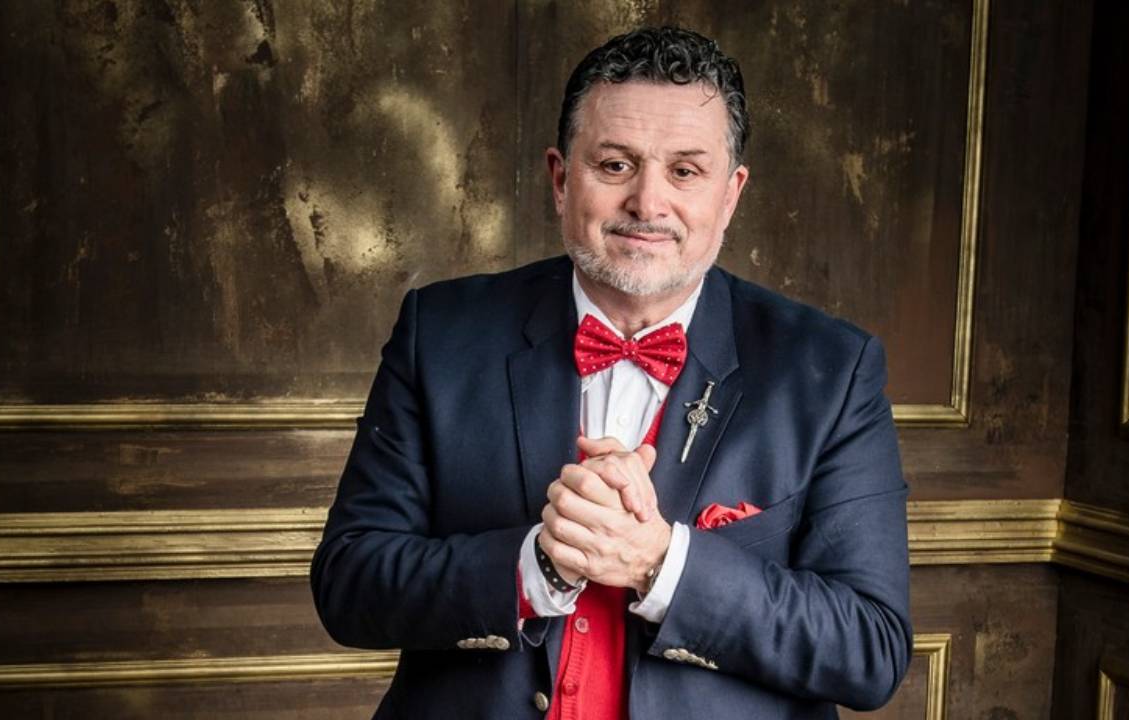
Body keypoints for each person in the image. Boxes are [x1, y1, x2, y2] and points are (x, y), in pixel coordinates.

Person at [311, 26, 911, 720]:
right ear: (560, 178)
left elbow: (870, 648)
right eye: (616, 165)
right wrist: (533, 564)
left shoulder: (832, 368)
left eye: (685, 171)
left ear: (730, 194)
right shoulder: (439, 333)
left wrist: (661, 563)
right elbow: (350, 582)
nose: (648, 204)